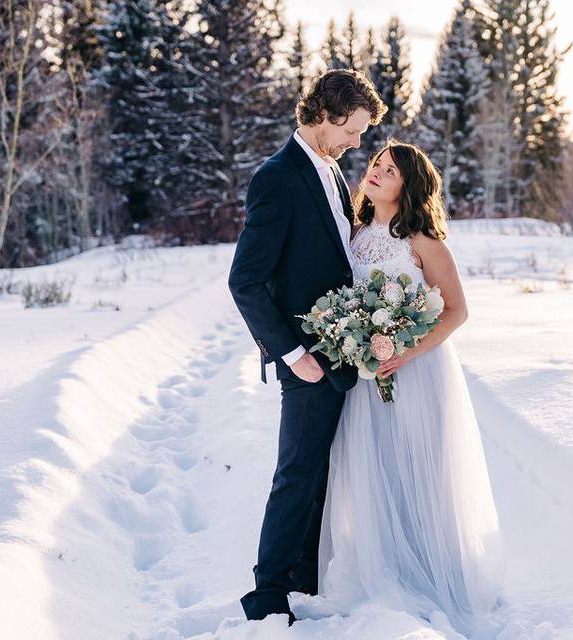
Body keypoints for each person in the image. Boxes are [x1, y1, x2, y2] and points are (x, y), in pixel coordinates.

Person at [316, 141, 506, 637]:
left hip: (418, 373)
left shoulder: (424, 242)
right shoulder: (353, 234)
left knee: (415, 469)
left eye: (391, 170)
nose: (377, 172)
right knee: (372, 468)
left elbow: (456, 310)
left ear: (410, 185)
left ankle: (426, 572)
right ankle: (382, 566)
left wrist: (406, 350)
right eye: (376, 164)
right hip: (367, 375)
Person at [227, 68, 386, 624]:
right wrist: (295, 356)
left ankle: (302, 577)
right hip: (307, 357)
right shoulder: (277, 177)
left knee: (319, 469)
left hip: (341, 353)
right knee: (296, 470)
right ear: (325, 113)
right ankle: (266, 594)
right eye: (353, 129)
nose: (356, 142)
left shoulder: (333, 174)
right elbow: (245, 281)